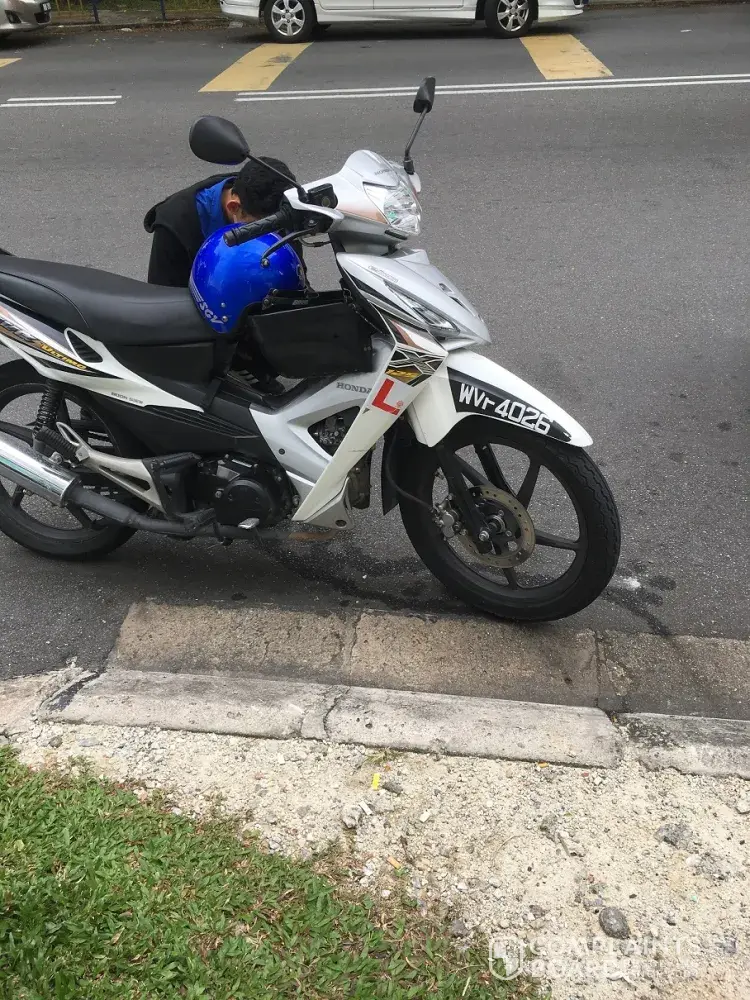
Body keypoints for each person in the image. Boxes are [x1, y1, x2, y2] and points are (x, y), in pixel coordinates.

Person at [144, 156, 298, 288]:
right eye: (262, 230)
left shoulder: (284, 210)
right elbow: (163, 299)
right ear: (234, 207)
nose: (273, 237)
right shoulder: (176, 224)